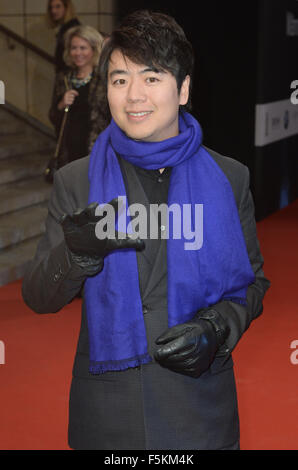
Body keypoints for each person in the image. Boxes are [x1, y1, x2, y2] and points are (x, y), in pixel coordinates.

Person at [22, 10, 270, 450]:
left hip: (200, 410)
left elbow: (251, 284)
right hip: (108, 416)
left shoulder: (229, 177)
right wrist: (76, 255)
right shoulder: (77, 180)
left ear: (184, 88)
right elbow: (39, 296)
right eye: (119, 80)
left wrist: (216, 326)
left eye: (151, 78)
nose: (133, 95)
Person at [48, 25, 109, 169]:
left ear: (93, 50)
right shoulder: (63, 78)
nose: (78, 53)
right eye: (74, 48)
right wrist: (61, 104)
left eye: (83, 48)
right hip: (68, 153)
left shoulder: (104, 78)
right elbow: (53, 117)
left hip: (97, 152)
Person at [46, 0, 80, 73]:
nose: (53, 11)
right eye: (51, 8)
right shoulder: (66, 27)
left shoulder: (72, 28)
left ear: (67, 8)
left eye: (58, 6)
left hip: (69, 74)